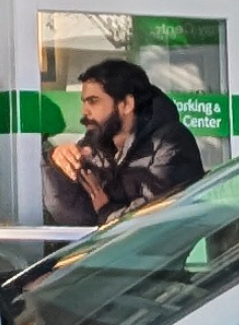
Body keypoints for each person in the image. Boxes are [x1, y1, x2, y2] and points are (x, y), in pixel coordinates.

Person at [47, 58, 207, 228]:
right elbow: (73, 215)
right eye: (84, 102)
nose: (85, 111)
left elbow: (155, 219)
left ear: (126, 104)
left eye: (93, 101)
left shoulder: (169, 143)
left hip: (158, 253)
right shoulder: (95, 144)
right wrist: (57, 164)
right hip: (110, 251)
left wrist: (106, 210)